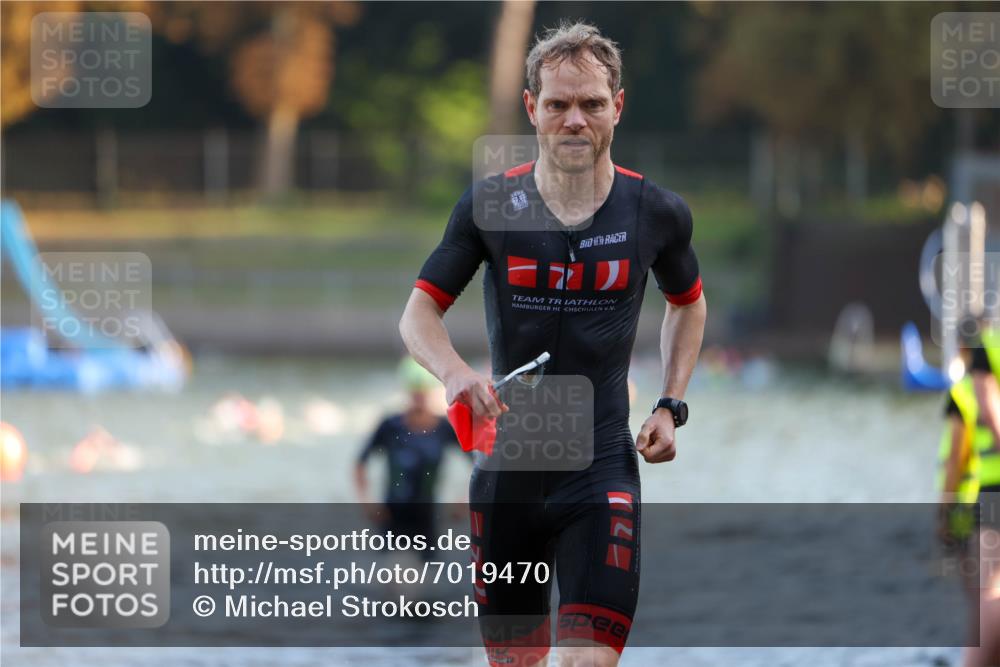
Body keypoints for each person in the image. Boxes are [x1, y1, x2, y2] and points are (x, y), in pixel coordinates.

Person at [399, 21, 706, 667]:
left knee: (584, 662)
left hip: (600, 470)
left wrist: (670, 404)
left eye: (592, 104)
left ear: (617, 107)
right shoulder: (490, 205)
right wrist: (454, 373)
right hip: (507, 475)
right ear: (531, 106)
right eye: (559, 104)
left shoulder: (656, 212)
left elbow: (688, 303)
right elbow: (419, 313)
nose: (575, 120)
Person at [354, 356, 465, 553]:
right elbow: (360, 463)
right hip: (390, 516)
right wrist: (368, 504)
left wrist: (464, 501)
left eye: (422, 392)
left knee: (428, 579)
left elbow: (480, 464)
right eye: (414, 392)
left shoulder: (443, 428)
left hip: (427, 518)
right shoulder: (390, 425)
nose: (418, 397)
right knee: (391, 577)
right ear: (406, 391)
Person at [940, 325, 1000, 667]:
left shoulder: (961, 393)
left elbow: (954, 463)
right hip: (978, 497)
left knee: (980, 596)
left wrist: (944, 516)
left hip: (973, 502)